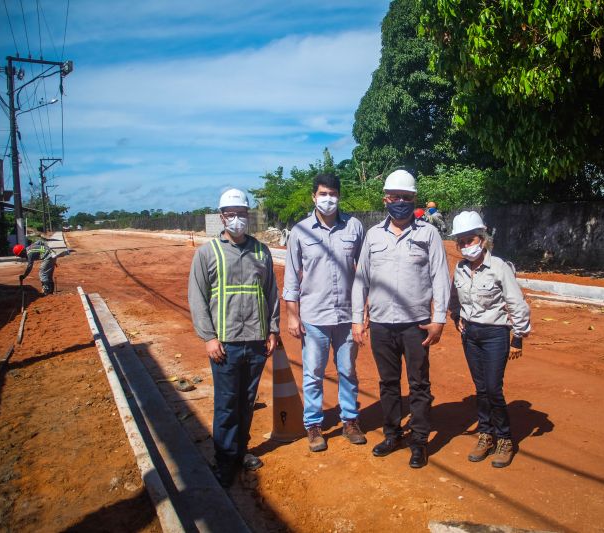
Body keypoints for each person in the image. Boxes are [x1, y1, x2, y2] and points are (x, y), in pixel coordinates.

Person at [352, 169, 450, 469]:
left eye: (406, 197)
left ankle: (419, 441)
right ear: (385, 199)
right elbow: (361, 279)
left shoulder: (428, 234)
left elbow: (440, 277)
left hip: (416, 323)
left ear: (414, 200)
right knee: (388, 383)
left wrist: (439, 320)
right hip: (382, 323)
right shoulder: (373, 235)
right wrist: (357, 319)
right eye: (395, 197)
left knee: (419, 384)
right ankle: (392, 435)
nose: (400, 202)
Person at [188, 188, 280, 487]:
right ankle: (225, 460)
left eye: (241, 214)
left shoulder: (261, 251)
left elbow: (271, 293)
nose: (237, 219)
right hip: (224, 344)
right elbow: (197, 298)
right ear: (221, 217)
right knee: (227, 403)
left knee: (246, 401)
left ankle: (241, 451)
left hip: (256, 341)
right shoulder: (207, 253)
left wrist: (273, 329)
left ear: (248, 215)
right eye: (231, 214)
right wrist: (209, 338)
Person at [283, 173, 366, 452]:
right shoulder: (300, 231)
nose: (328, 199)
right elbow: (291, 276)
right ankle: (313, 424)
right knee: (313, 373)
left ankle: (350, 421)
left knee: (348, 370)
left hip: (346, 315)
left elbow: (364, 271)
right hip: (314, 316)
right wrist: (292, 315)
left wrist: (363, 310)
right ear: (313, 196)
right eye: (323, 194)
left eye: (332, 194)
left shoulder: (354, 227)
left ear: (339, 196)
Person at [448, 211, 531, 468]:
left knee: (494, 388)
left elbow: (516, 303)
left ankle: (504, 438)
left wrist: (518, 337)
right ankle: (486, 434)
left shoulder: (499, 267)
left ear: (482, 239)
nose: (465, 246)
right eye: (461, 242)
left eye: (470, 240)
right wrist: (456, 316)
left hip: (495, 334)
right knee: (481, 388)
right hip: (470, 335)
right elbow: (454, 298)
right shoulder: (460, 269)